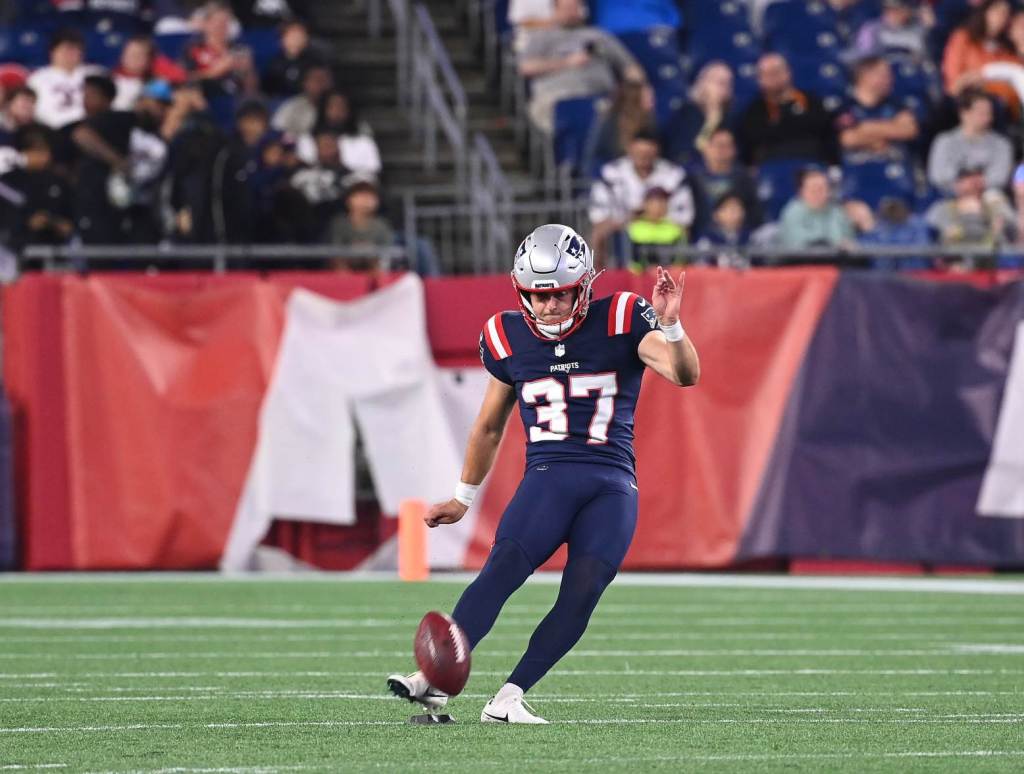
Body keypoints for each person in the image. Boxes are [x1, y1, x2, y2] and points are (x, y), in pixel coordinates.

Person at [387, 224, 699, 723]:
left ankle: (509, 696)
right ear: (521, 291)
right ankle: (433, 680)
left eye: (560, 295)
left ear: (585, 287)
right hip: (548, 478)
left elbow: (685, 374)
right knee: (503, 569)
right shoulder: (506, 334)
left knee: (583, 592)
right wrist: (462, 496)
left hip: (612, 484)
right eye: (539, 296)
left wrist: (672, 327)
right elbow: (489, 425)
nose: (550, 307)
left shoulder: (620, 316)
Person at [517, 0, 651, 134]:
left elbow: (630, 66)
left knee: (627, 111)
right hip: (558, 99)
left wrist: (643, 87)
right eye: (567, 8)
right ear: (555, 10)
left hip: (602, 98)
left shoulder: (598, 35)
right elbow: (526, 67)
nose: (572, 12)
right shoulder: (542, 36)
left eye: (576, 8)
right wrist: (567, 62)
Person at [589, 129, 694, 260]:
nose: (643, 157)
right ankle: (601, 278)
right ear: (629, 149)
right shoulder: (611, 173)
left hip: (663, 228)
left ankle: (678, 272)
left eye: (648, 153)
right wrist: (631, 218)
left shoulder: (673, 175)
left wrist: (651, 215)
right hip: (621, 228)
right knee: (598, 233)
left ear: (657, 151)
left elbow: (685, 218)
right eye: (639, 152)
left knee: (683, 233)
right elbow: (598, 216)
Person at [736, 52, 836, 166]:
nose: (773, 78)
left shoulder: (813, 103)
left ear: (788, 72)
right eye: (767, 74)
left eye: (776, 72)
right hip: (771, 173)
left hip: (812, 168)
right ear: (759, 79)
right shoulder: (753, 112)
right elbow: (747, 152)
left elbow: (829, 140)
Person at [927, 89, 1013, 193]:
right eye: (981, 113)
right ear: (964, 113)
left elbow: (1000, 177)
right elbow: (937, 176)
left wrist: (977, 183)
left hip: (989, 197)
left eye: (989, 113)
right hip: (949, 196)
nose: (987, 118)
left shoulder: (1002, 144)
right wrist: (962, 184)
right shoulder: (944, 141)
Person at [26, 29, 103, 129]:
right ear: (53, 51)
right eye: (67, 49)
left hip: (90, 129)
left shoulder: (96, 74)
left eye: (77, 49)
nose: (72, 54)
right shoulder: (37, 78)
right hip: (51, 130)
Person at [926, 164, 1015, 246]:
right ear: (957, 185)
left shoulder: (995, 205)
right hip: (953, 259)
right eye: (968, 177)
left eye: (978, 176)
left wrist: (996, 218)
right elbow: (930, 234)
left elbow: (1013, 230)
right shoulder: (942, 208)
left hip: (990, 260)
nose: (974, 181)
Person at [779, 167, 856, 249]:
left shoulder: (836, 212)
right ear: (801, 191)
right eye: (813, 189)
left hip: (835, 259)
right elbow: (798, 244)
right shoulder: (792, 212)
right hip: (800, 260)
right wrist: (832, 244)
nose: (818, 193)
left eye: (822, 188)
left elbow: (849, 241)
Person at [326, 178, 395, 269]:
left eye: (371, 196)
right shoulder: (339, 224)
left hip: (374, 270)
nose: (366, 200)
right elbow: (334, 252)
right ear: (349, 200)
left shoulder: (382, 225)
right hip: (344, 270)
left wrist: (371, 250)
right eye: (361, 195)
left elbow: (387, 253)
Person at [848, 0, 935, 62]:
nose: (891, 14)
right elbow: (866, 61)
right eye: (888, 9)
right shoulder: (872, 29)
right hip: (882, 77)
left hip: (913, 78)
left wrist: (931, 28)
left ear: (908, 10)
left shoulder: (921, 30)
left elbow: (927, 60)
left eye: (897, 10)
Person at [263, 19, 325, 97]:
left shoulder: (315, 63)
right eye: (292, 35)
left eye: (300, 35)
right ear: (282, 39)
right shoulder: (274, 65)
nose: (296, 40)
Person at [271, 64, 333, 137]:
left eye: (324, 80)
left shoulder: (338, 105)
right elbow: (276, 129)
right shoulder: (293, 106)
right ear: (305, 83)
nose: (321, 84)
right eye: (316, 80)